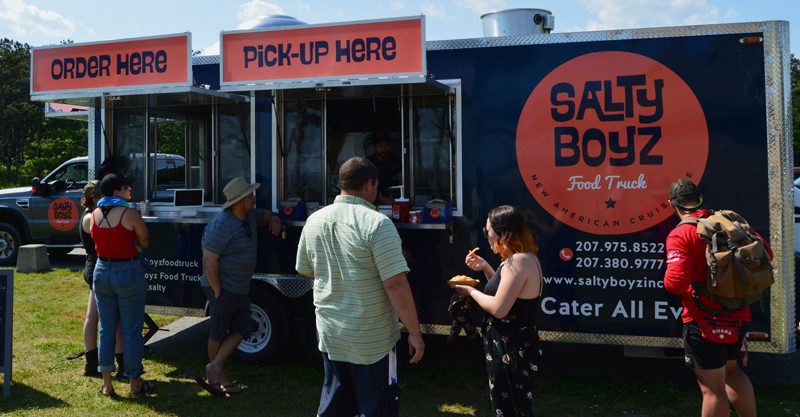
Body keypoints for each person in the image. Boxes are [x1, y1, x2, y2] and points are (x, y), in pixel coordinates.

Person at [295, 156, 425, 417]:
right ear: (370, 184)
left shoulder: (315, 220)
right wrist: (414, 333)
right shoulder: (378, 224)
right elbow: (396, 284)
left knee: (336, 405)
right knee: (376, 407)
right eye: (377, 187)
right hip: (371, 339)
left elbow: (306, 270)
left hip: (331, 332)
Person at [663, 179, 757, 417]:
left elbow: (675, 284)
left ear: (672, 204)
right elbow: (766, 253)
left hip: (703, 320)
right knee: (733, 372)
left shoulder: (681, 234)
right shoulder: (729, 222)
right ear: (700, 199)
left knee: (713, 389)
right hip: (738, 311)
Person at [454, 205, 544, 417]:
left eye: (488, 231)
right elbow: (506, 296)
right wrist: (486, 268)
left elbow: (499, 308)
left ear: (503, 233)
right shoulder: (518, 259)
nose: (486, 236)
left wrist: (469, 291)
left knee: (511, 408)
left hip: (511, 348)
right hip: (509, 345)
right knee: (512, 405)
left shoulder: (519, 261)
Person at [195, 177, 282, 397]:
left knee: (243, 329)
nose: (254, 198)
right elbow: (209, 259)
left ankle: (215, 367)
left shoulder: (249, 215)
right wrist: (218, 292)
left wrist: (274, 217)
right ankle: (219, 378)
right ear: (239, 201)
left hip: (240, 287)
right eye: (250, 196)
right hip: (222, 287)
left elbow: (264, 215)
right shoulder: (221, 225)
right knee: (218, 332)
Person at [91, 173, 152, 396]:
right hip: (127, 272)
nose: (130, 191)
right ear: (116, 191)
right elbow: (144, 239)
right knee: (132, 331)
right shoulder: (130, 213)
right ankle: (134, 382)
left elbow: (94, 239)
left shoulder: (94, 213)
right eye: (127, 188)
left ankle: (107, 384)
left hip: (102, 271)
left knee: (106, 329)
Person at [79, 180, 124, 378]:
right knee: (101, 317)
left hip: (95, 265)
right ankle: (96, 362)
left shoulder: (90, 215)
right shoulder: (91, 217)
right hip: (97, 265)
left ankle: (94, 363)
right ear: (95, 198)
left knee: (94, 316)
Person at [366, 131, 401, 203]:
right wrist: (384, 199)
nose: (384, 149)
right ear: (374, 147)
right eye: (380, 146)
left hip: (392, 197)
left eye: (386, 145)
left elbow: (402, 178)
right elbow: (366, 189)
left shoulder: (394, 159)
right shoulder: (369, 163)